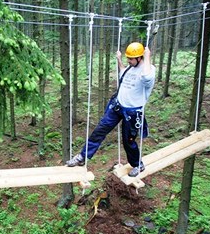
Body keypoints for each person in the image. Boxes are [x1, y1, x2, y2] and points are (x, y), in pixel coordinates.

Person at [66, 42, 155, 177]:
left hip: (132, 112)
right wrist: (119, 60)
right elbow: (122, 74)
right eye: (128, 59)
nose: (128, 61)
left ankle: (137, 164)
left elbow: (147, 78)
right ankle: (83, 156)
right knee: (99, 131)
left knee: (128, 141)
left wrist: (147, 56)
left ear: (140, 58)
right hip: (117, 107)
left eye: (131, 59)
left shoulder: (148, 70)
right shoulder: (130, 68)